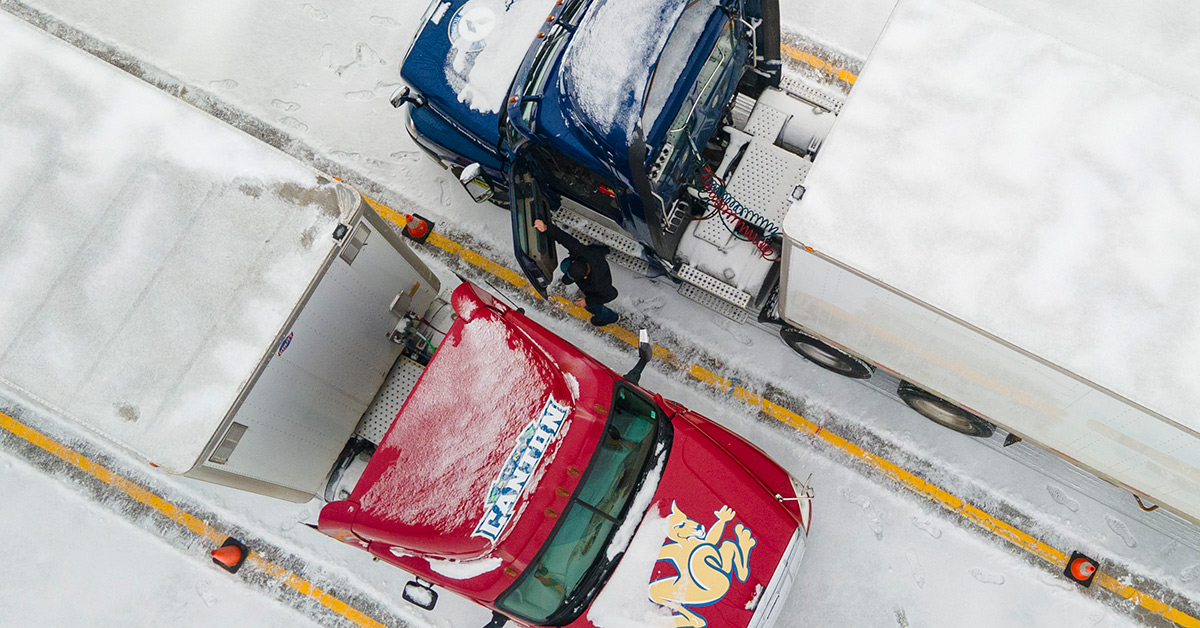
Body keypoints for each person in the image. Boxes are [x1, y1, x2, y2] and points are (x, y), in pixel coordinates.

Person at [533, 218, 619, 326]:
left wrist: (587, 301)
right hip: (594, 255)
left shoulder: (599, 284)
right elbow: (563, 237)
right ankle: (603, 250)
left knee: (592, 307)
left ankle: (611, 318)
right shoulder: (580, 251)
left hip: (597, 275)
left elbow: (612, 294)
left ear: (584, 278)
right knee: (565, 265)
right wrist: (546, 228)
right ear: (575, 261)